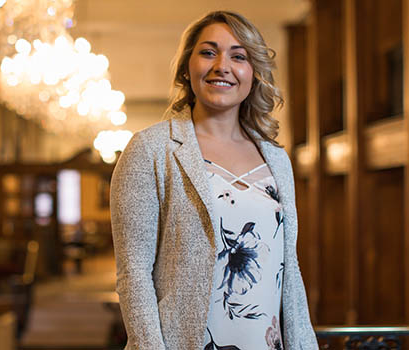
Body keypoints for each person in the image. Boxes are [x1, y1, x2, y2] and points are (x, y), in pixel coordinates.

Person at [110, 10, 318, 350]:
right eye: (208, 52)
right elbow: (133, 274)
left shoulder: (277, 158)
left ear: (253, 73)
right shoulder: (149, 150)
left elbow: (288, 270)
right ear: (186, 67)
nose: (222, 65)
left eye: (239, 56)